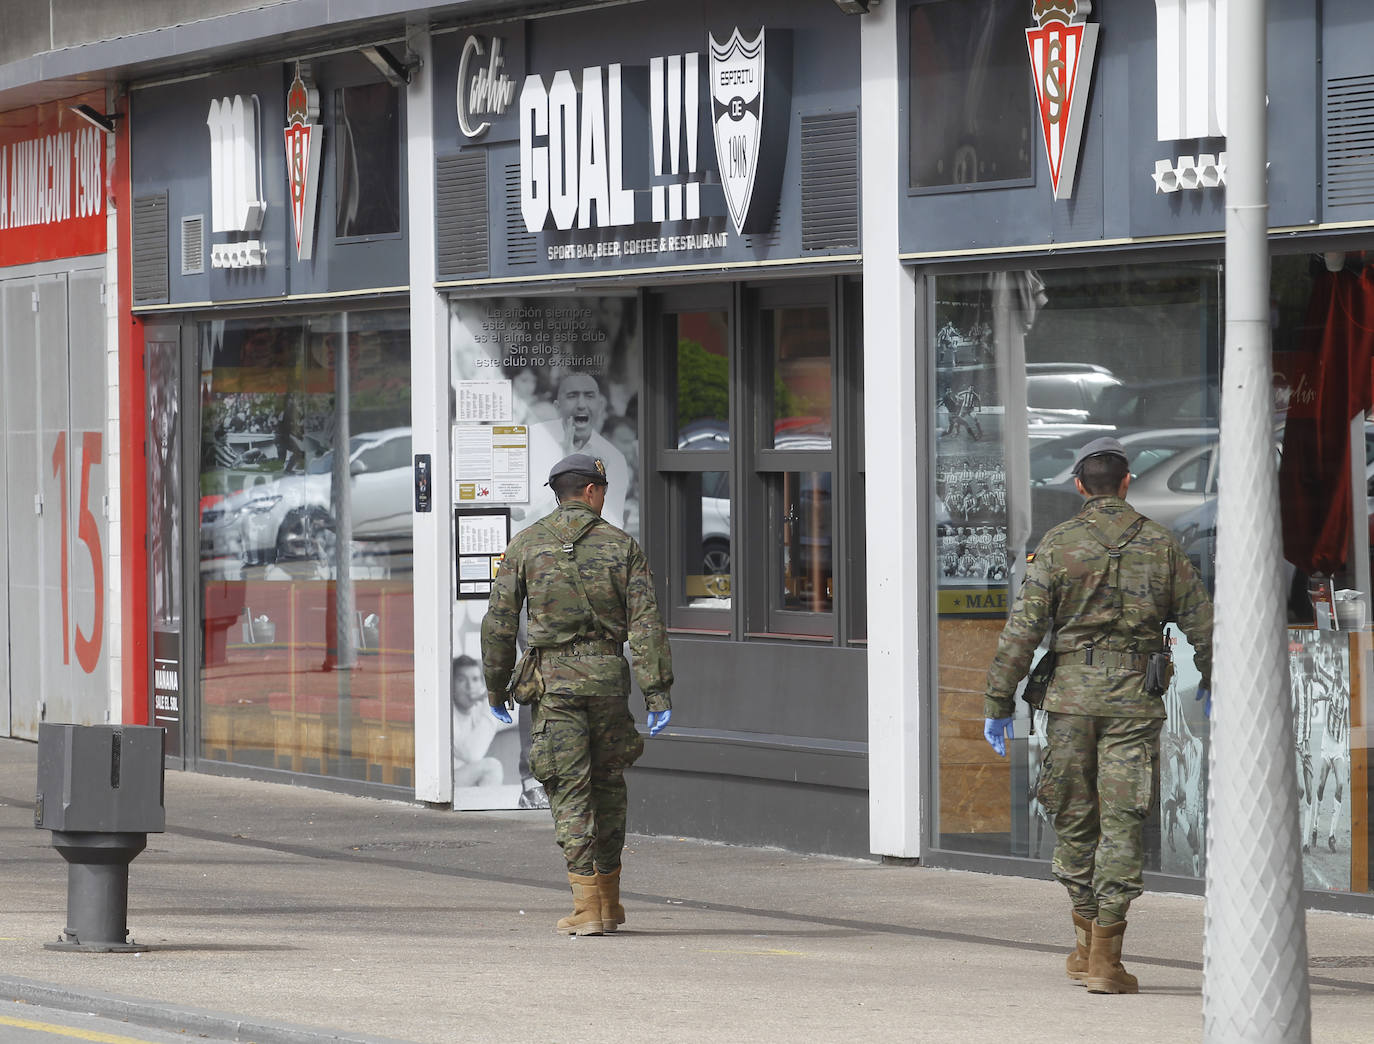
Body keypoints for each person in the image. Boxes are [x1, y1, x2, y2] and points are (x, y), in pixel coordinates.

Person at [981, 436, 1213, 995]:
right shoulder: (1162, 544)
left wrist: (998, 700)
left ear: (1080, 486)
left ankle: (1087, 945)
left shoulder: (1058, 544)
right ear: (1127, 482)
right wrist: (1214, 675)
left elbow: (1023, 633)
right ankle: (1102, 954)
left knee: (1074, 815)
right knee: (1123, 818)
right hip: (1135, 702)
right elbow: (1203, 625)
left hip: (1069, 703)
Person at [481, 452, 673, 936]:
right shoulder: (622, 546)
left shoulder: (524, 545)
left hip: (555, 687)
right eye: (602, 490)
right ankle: (609, 901)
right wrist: (657, 694)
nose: (603, 498)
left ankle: (586, 906)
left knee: (569, 790)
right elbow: (647, 627)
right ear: (590, 491)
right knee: (609, 786)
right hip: (608, 681)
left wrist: (495, 688)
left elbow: (499, 625)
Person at [526, 372, 630, 529]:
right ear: (557, 407)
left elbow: (612, 525)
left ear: (600, 406)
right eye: (572, 396)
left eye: (589, 396)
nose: (581, 404)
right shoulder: (532, 440)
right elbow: (521, 509)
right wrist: (564, 466)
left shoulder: (613, 458)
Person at [451, 654, 507, 787]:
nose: (470, 687)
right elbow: (473, 754)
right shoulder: (446, 713)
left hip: (467, 781)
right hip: (445, 783)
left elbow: (518, 711)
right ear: (451, 685)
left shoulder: (478, 709)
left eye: (475, 679)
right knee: (492, 767)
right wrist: (491, 705)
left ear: (482, 684)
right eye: (461, 680)